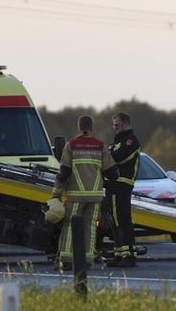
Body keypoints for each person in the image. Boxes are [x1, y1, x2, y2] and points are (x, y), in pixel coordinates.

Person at [52, 115, 117, 294]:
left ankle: (65, 260)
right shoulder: (100, 146)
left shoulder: (71, 145)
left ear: (79, 126)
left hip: (75, 194)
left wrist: (56, 194)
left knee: (70, 226)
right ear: (92, 127)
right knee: (90, 227)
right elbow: (112, 172)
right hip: (95, 195)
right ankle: (87, 261)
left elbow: (64, 172)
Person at [105, 112, 140, 268]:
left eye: (117, 125)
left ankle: (129, 255)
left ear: (125, 123)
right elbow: (107, 157)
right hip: (112, 185)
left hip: (122, 185)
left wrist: (107, 156)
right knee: (114, 221)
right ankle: (119, 254)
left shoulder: (131, 141)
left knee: (122, 220)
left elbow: (117, 157)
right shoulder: (115, 142)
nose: (115, 128)